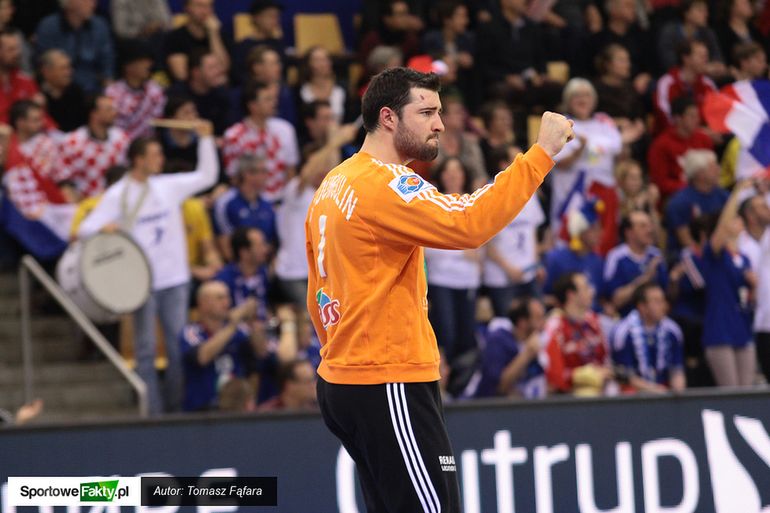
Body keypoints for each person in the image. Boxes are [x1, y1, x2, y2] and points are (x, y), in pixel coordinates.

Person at [305, 67, 573, 513]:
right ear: (388, 117)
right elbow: (469, 223)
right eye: (427, 112)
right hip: (387, 376)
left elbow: (318, 293)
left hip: (345, 378)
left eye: (440, 112)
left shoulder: (334, 182)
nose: (440, 124)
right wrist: (540, 154)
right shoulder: (384, 184)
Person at [78, 121, 218, 415]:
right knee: (145, 350)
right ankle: (151, 413)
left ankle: (176, 409)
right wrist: (104, 228)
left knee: (178, 347)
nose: (160, 159)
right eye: (155, 155)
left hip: (175, 279)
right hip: (142, 284)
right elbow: (85, 228)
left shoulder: (168, 186)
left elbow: (207, 176)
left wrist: (206, 141)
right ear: (138, 159)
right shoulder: (118, 194)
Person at [425, 157, 482, 364]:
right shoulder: (433, 203)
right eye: (448, 171)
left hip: (468, 280)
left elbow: (481, 243)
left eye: (457, 171)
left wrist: (466, 248)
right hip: (441, 280)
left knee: (466, 336)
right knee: (445, 333)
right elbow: (428, 245)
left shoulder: (474, 202)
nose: (453, 176)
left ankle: (462, 378)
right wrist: (461, 248)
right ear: (441, 176)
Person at [701, 181, 757, 386]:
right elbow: (723, 227)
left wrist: (755, 286)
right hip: (720, 330)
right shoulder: (715, 254)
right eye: (734, 219)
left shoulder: (745, 259)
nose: (737, 221)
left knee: (747, 392)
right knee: (730, 390)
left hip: (742, 328)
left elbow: (751, 301)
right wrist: (737, 193)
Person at [483, 145, 546, 316]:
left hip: (529, 273)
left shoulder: (529, 189)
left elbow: (532, 231)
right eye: (517, 158)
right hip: (502, 277)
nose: (523, 161)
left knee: (537, 321)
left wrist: (537, 263)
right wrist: (508, 269)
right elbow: (485, 241)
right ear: (503, 164)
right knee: (508, 325)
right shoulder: (489, 193)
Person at [180, 282, 262, 411]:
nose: (226, 303)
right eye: (220, 298)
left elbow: (261, 354)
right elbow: (202, 357)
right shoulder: (191, 332)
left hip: (237, 408)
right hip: (203, 412)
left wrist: (252, 321)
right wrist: (232, 325)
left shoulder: (239, 331)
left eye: (227, 297)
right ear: (203, 303)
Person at [222, 81, 299, 201]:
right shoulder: (233, 136)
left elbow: (290, 170)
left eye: (273, 99)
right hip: (250, 201)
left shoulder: (285, 130)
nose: (274, 103)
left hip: (282, 200)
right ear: (252, 105)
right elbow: (234, 176)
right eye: (267, 99)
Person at [543, 272, 611, 395]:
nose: (592, 291)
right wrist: (584, 375)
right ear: (571, 295)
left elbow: (605, 360)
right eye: (586, 287)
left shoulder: (593, 321)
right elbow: (555, 378)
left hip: (601, 390)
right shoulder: (554, 327)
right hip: (568, 397)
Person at [610, 283, 686, 393]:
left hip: (664, 390)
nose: (664, 306)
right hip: (632, 392)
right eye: (657, 301)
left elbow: (677, 370)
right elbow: (624, 376)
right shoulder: (623, 332)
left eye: (663, 300)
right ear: (642, 307)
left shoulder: (673, 331)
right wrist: (654, 391)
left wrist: (678, 394)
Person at [54, 95, 130, 199]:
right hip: (84, 202)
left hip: (116, 200)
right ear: (94, 114)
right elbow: (63, 179)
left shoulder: (121, 139)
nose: (114, 113)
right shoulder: (73, 142)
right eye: (109, 109)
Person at [473, 296, 547, 399]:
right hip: (491, 406)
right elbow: (497, 387)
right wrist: (527, 354)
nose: (544, 323)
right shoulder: (499, 341)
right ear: (522, 322)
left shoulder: (544, 340)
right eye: (539, 318)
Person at [34, 0, 114, 93]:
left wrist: (109, 93)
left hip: (92, 91)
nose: (93, 3)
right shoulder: (49, 27)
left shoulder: (100, 26)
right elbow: (44, 66)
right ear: (69, 2)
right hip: (59, 91)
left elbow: (107, 66)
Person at [647, 96, 713, 201]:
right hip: (675, 197)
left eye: (697, 116)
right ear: (678, 118)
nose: (697, 120)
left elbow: (712, 169)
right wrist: (691, 188)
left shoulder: (704, 140)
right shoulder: (661, 145)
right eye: (691, 116)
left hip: (704, 192)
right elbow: (660, 182)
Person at [664, 149, 728, 256]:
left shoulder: (723, 196)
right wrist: (707, 257)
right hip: (687, 256)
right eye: (713, 167)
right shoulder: (680, 202)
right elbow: (686, 241)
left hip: (720, 250)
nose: (718, 169)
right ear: (699, 173)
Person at [604, 210, 668, 315]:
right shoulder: (617, 257)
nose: (650, 230)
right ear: (629, 232)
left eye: (650, 225)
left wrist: (674, 280)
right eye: (643, 226)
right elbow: (615, 300)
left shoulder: (656, 255)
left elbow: (667, 294)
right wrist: (645, 278)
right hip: (624, 318)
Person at [213, 155, 276, 258]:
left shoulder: (268, 201)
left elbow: (273, 240)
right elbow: (225, 244)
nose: (267, 176)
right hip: (239, 263)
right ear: (247, 174)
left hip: (267, 262)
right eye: (263, 171)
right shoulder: (226, 203)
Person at [105, 42, 166, 141]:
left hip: (146, 145)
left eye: (149, 61)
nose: (148, 65)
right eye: (142, 61)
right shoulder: (112, 92)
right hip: (118, 143)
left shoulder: (155, 91)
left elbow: (158, 121)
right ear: (128, 66)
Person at [163, 0, 230, 82]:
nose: (205, 11)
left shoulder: (219, 35)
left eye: (209, 6)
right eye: (199, 6)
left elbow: (224, 69)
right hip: (189, 88)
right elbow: (181, 75)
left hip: (218, 87)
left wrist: (213, 35)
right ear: (187, 8)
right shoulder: (175, 38)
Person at [168, 50, 232, 136]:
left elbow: (227, 130)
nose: (219, 71)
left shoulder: (222, 95)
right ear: (196, 72)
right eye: (212, 68)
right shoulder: (176, 94)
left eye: (218, 66)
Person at [38, 49, 86, 132]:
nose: (69, 72)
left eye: (69, 67)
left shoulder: (76, 91)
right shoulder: (35, 91)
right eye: (63, 68)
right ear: (46, 71)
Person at [0, 29, 41, 125]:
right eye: (11, 49)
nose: (17, 53)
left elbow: (42, 119)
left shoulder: (26, 80)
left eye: (18, 48)